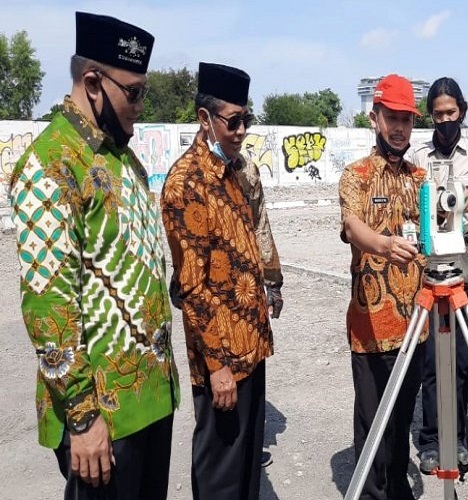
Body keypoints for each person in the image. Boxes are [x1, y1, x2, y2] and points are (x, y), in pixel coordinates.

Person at [9, 12, 179, 500]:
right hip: (102, 416)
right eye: (135, 92)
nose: (141, 107)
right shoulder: (51, 163)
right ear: (92, 82)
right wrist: (82, 417)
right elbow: (47, 306)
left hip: (149, 401)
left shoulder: (123, 158)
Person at [161, 62, 271, 500]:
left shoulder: (234, 173)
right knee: (221, 471)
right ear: (204, 119)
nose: (242, 130)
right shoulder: (188, 183)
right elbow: (192, 286)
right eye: (233, 120)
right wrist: (218, 365)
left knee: (245, 468)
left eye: (246, 119)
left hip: (250, 345)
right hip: (221, 356)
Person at [338, 74, 427, 500]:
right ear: (375, 117)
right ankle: (371, 493)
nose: (399, 128)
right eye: (392, 117)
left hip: (416, 328)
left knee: (403, 419)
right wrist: (383, 245)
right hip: (371, 327)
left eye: (406, 120)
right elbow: (352, 226)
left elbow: (440, 231)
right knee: (373, 421)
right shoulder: (356, 175)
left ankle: (396, 488)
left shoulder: (422, 178)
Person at [410, 77, 468, 474]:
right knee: (432, 361)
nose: (445, 120)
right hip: (430, 269)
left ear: (461, 111)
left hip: (465, 266)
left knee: (462, 360)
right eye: (438, 114)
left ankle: (460, 436)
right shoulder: (417, 154)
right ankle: (432, 439)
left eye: (451, 113)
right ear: (431, 116)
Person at [232, 138, 284, 470]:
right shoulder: (192, 175)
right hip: (214, 298)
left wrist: (273, 282)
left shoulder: (246, 169)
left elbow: (261, 224)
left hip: (249, 292)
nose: (238, 131)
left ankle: (249, 451)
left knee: (251, 373)